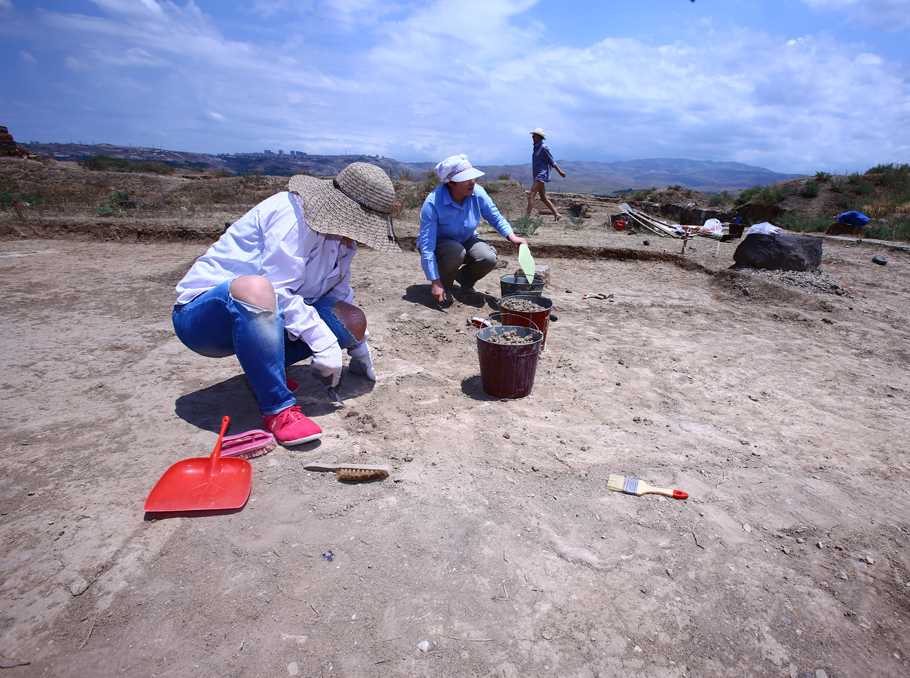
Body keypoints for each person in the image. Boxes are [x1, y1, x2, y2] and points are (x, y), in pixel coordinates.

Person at [172, 163, 400, 446]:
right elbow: (277, 288)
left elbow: (337, 296)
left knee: (349, 319)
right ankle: (277, 409)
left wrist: (357, 344)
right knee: (257, 288)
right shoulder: (293, 216)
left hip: (265, 317)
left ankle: (267, 368)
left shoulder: (344, 241)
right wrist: (323, 341)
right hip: (204, 320)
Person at [418, 154, 527, 302]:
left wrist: (511, 236)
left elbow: (495, 217)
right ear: (451, 183)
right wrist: (435, 282)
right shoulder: (433, 202)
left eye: (473, 177)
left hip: (465, 240)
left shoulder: (478, 192)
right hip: (441, 245)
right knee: (456, 251)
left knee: (488, 257)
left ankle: (464, 280)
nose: (472, 182)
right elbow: (427, 246)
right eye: (466, 179)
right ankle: (444, 286)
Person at [526, 127, 566, 222]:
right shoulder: (536, 147)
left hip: (541, 174)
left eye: (534, 136)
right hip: (537, 174)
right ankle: (557, 214)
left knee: (531, 194)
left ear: (539, 137)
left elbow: (551, 160)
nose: (533, 137)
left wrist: (560, 172)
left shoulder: (543, 148)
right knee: (543, 198)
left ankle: (526, 218)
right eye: (532, 136)